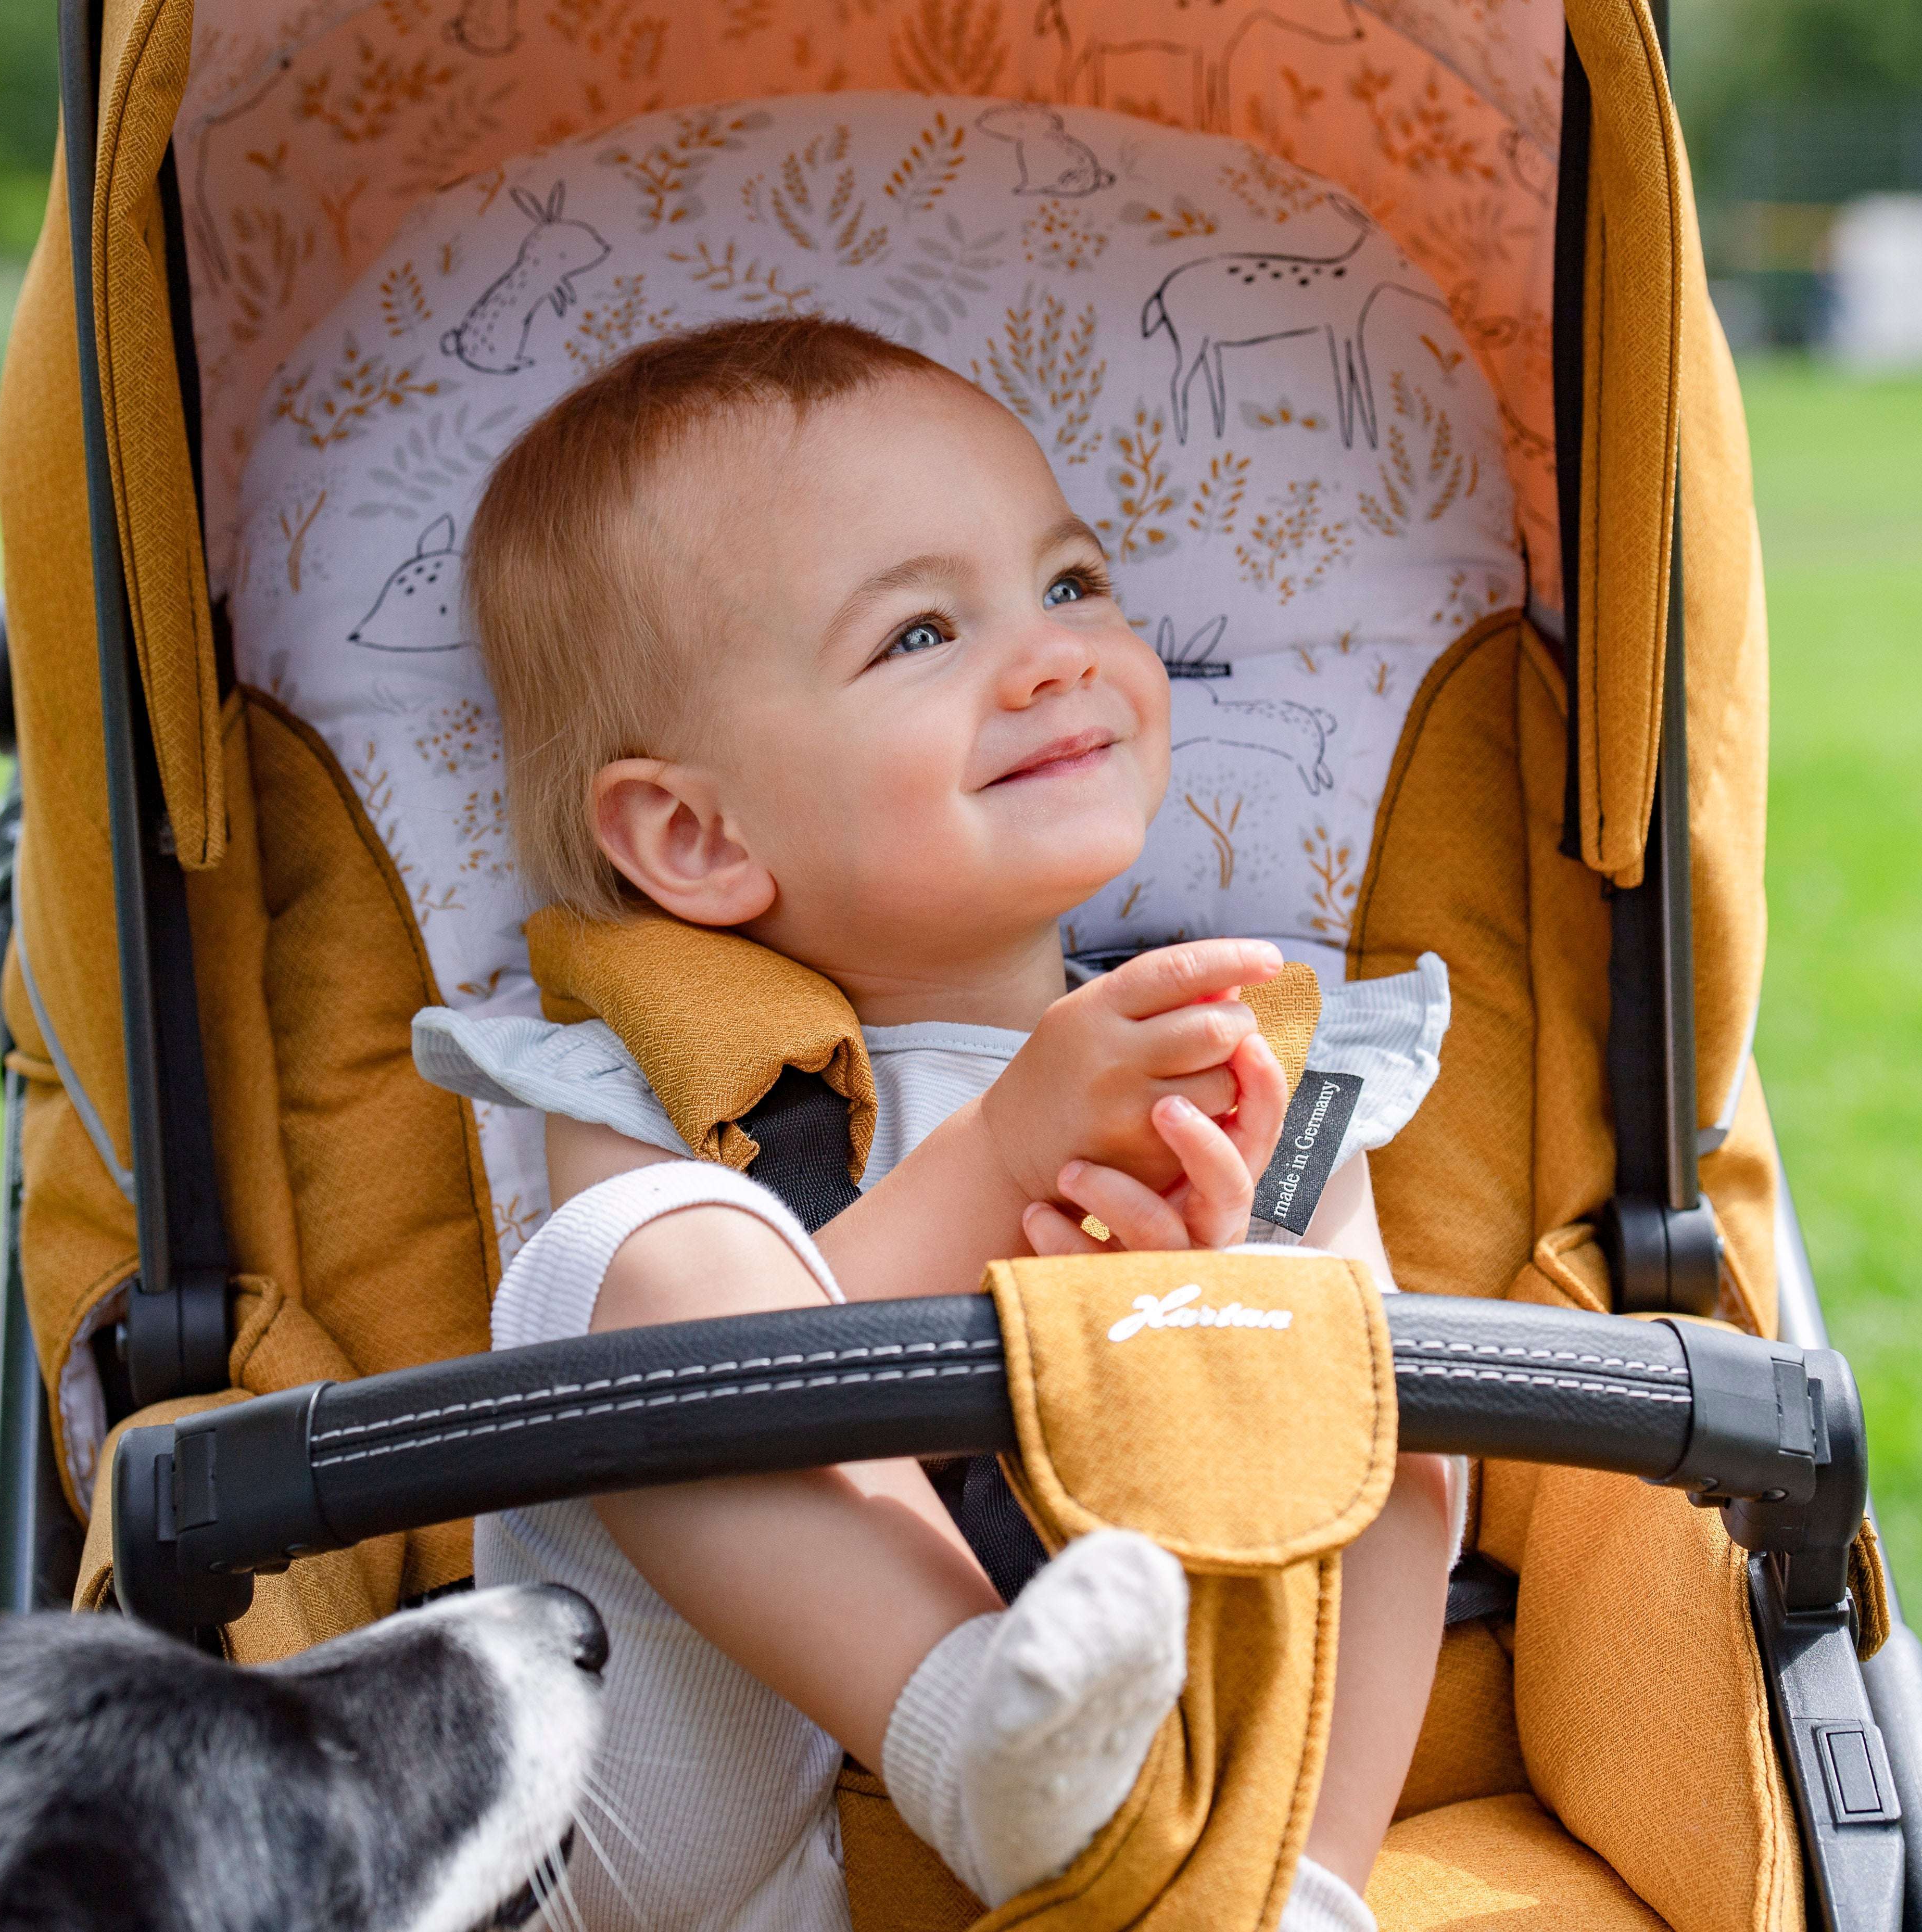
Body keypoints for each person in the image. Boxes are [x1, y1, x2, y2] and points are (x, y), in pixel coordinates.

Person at [418, 315, 1455, 1932]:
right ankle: (982, 1750)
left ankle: (1296, 1896)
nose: (1052, 656)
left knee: (1385, 1396)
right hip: (723, 1824)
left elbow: (1361, 1482)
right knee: (614, 1276)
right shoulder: (640, 1075)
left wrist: (1219, 1274)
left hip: (1185, 1767)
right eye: (919, 636)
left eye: (1069, 585)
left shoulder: (1242, 1052)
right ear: (692, 835)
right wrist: (995, 1162)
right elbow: (715, 1403)